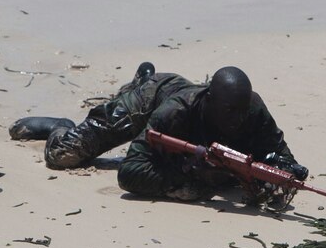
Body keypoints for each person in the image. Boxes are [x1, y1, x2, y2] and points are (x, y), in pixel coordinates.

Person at [117, 66, 305, 209]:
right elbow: (128, 172)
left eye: (243, 111)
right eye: (230, 111)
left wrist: (275, 177)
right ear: (208, 101)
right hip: (150, 96)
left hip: (183, 89)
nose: (239, 119)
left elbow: (283, 156)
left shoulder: (254, 109)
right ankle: (143, 79)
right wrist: (192, 176)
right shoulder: (175, 113)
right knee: (103, 132)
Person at [9, 62, 199, 169]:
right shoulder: (176, 110)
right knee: (62, 154)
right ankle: (61, 126)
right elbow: (130, 172)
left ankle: (143, 81)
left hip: (180, 96)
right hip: (149, 102)